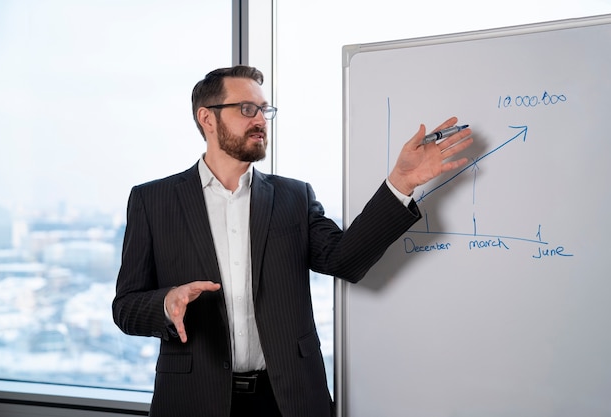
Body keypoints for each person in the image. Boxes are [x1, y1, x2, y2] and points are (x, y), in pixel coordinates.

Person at [112, 65, 473, 417]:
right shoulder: (153, 201)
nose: (260, 120)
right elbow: (125, 307)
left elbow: (345, 259)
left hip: (287, 399)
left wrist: (402, 183)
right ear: (207, 119)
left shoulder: (292, 197)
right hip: (194, 399)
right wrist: (166, 303)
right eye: (246, 109)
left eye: (264, 110)